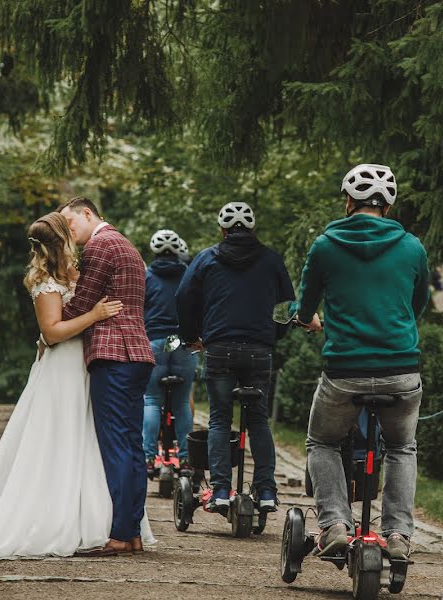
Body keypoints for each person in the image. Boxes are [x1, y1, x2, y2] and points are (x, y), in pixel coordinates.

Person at [0, 212, 155, 559]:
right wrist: (93, 316)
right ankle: (66, 518)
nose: (74, 233)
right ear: (61, 239)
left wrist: (93, 316)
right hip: (63, 369)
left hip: (88, 364)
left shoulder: (78, 273)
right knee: (63, 439)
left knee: (94, 442)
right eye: (68, 230)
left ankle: (111, 525)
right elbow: (52, 332)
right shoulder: (44, 281)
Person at [292, 163, 430, 559]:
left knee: (323, 442)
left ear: (349, 201)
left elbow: (306, 304)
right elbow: (416, 303)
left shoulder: (325, 245)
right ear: (388, 204)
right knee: (402, 448)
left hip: (344, 372)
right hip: (401, 370)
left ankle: (335, 524)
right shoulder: (412, 247)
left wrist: (307, 320)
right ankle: (399, 536)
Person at [175, 202, 294, 514]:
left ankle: (221, 490)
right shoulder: (271, 260)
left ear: (223, 230)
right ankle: (267, 490)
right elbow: (287, 306)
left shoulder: (206, 259)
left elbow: (183, 297)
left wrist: (191, 337)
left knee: (219, 418)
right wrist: (273, 336)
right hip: (259, 350)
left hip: (219, 348)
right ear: (252, 229)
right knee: (258, 420)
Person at [58, 197, 157, 557]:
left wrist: (52, 321)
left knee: (116, 446)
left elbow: (82, 303)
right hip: (137, 353)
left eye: (70, 224)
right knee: (131, 446)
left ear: (87, 214)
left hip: (114, 353)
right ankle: (131, 532)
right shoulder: (125, 243)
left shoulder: (100, 246)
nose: (70, 233)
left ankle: (119, 534)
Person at [142, 229, 197, 470]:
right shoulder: (189, 274)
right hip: (182, 341)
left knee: (152, 400)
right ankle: (185, 458)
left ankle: (148, 457)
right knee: (182, 402)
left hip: (154, 341)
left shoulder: (145, 276)